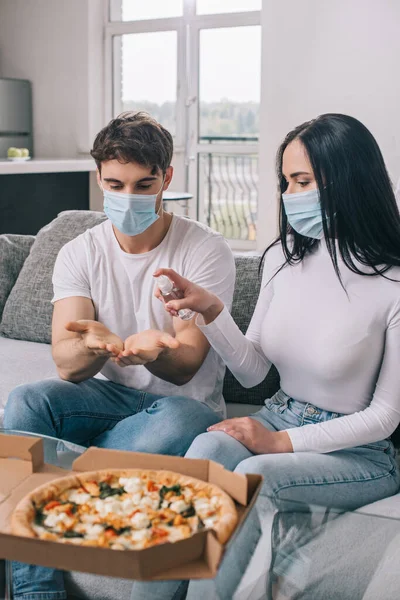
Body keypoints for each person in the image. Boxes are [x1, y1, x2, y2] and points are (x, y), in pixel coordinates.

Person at [132, 113, 400, 599]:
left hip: (357, 450)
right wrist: (213, 312)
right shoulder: (281, 257)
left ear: (349, 180)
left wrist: (280, 445)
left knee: (255, 477)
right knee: (206, 453)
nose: (289, 194)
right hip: (279, 414)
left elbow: (384, 416)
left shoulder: (393, 282)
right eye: (286, 181)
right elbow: (254, 371)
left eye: (303, 180)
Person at [4, 111, 235, 600]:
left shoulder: (203, 250)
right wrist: (95, 344)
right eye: (115, 184)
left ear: (167, 178)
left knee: (175, 423)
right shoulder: (78, 252)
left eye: (143, 184)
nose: (128, 197)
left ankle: (61, 470)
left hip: (179, 405)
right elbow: (66, 363)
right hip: (103, 396)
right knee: (25, 403)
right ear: (99, 178)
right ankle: (36, 592)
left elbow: (188, 363)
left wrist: (151, 353)